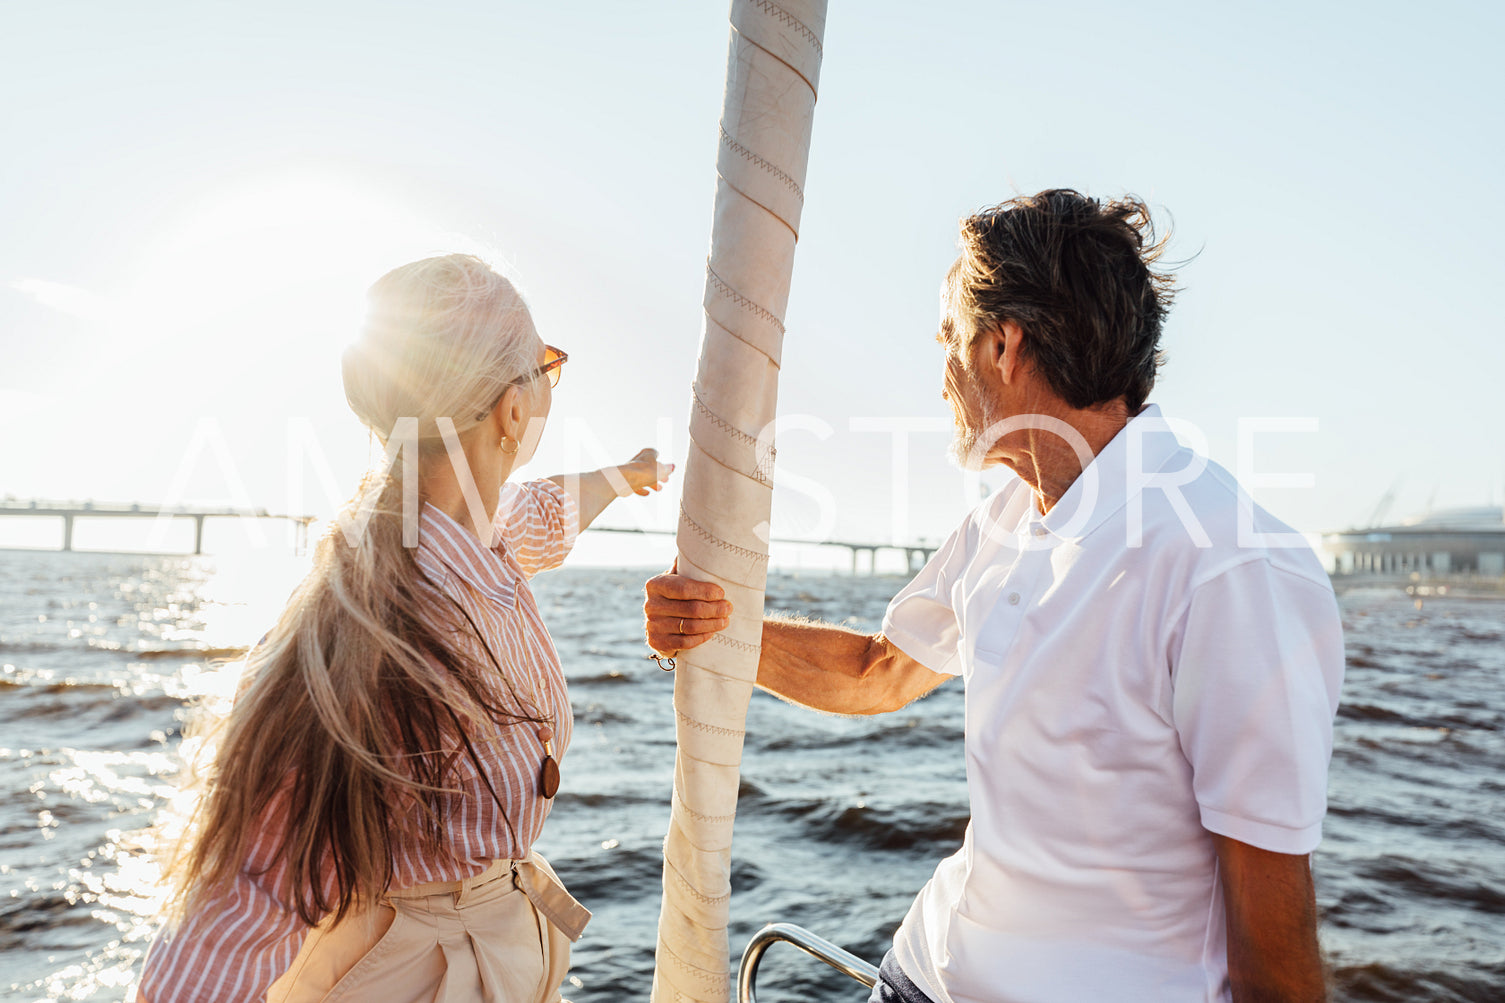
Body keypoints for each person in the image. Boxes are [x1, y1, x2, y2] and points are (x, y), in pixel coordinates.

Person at [645, 190, 1345, 1003]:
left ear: (1003, 345)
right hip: (917, 974)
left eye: (950, 339)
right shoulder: (1006, 515)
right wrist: (720, 631)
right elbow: (878, 672)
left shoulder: (1228, 565)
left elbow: (1272, 936)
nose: (941, 372)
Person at [140, 253, 672, 1003]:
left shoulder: (466, 534)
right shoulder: (374, 637)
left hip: (486, 956)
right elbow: (229, 926)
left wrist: (628, 474)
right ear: (511, 413)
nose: (550, 384)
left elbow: (548, 511)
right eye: (544, 367)